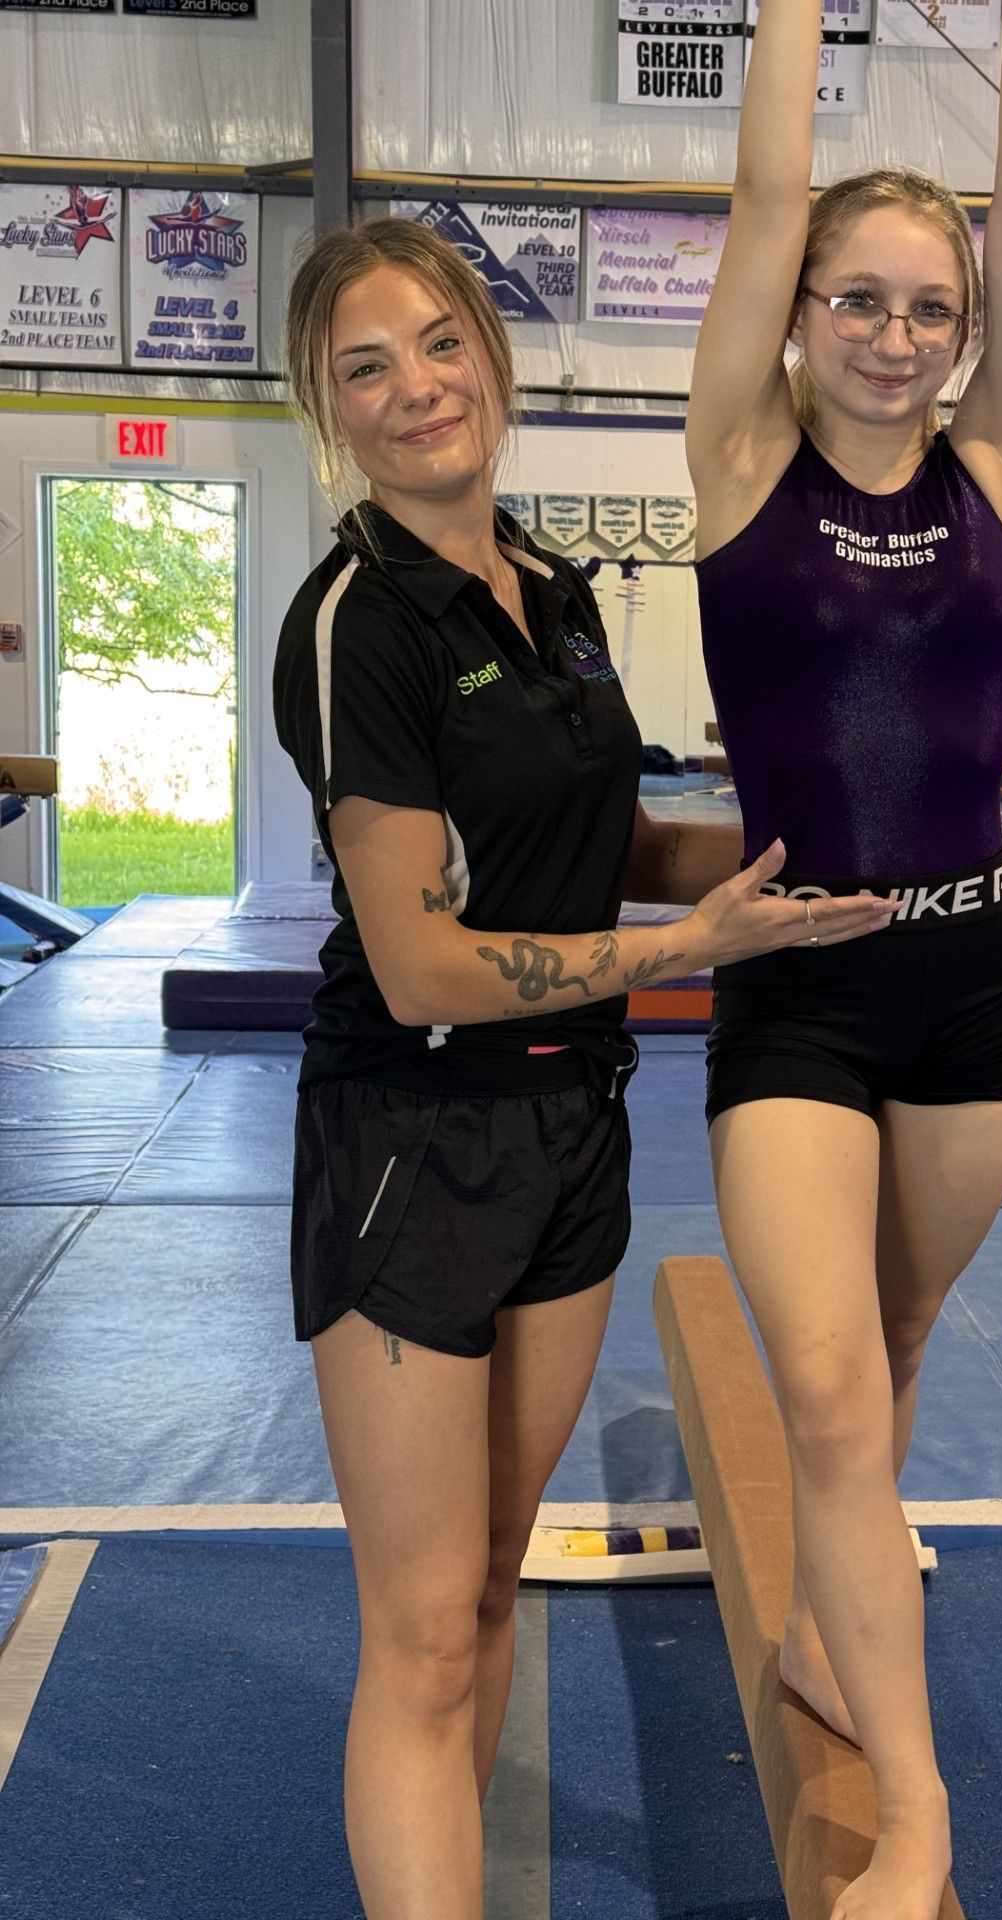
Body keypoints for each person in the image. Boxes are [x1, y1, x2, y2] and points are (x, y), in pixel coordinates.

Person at [272, 216, 895, 1920]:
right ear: (331, 414)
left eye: (440, 344)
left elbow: (598, 834)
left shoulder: (547, 589)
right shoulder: (358, 622)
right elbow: (416, 966)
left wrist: (792, 861)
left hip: (569, 1127)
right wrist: (692, 954)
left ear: (495, 351)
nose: (418, 390)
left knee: (483, 1589)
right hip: (415, 1136)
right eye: (367, 370)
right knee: (414, 1631)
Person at [685, 3, 1002, 1915]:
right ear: (799, 313)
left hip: (968, 974)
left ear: (968, 333)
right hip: (799, 981)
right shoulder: (741, 457)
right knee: (827, 1390)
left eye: (929, 307)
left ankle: (834, 1635)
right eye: (859, 298)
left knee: (899, 1343)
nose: (895, 333)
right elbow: (765, 185)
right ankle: (915, 1812)